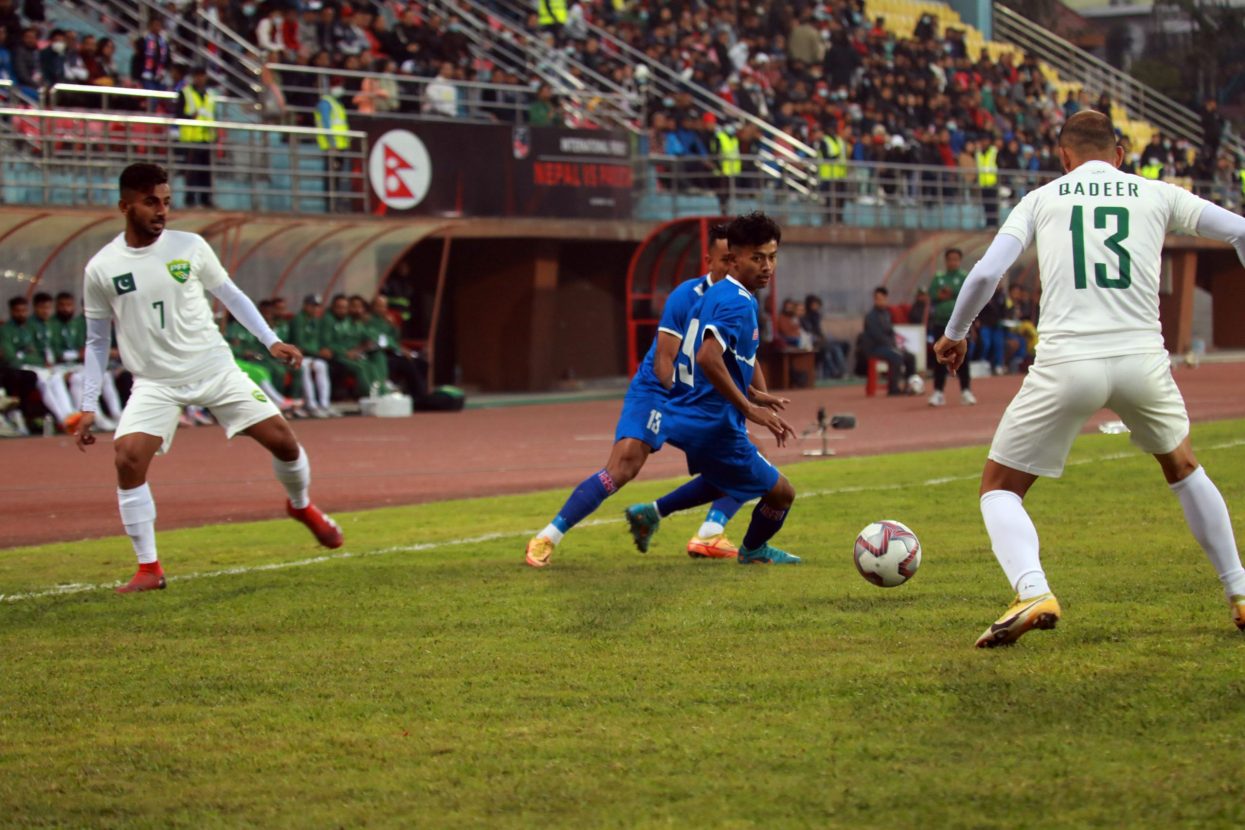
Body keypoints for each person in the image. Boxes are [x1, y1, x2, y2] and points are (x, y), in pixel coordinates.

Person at [932, 110, 1245, 647]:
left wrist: (956, 331)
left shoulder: (1043, 198)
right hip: (1142, 359)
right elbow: (1239, 230)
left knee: (999, 488)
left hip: (1067, 360)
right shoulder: (1158, 194)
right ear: (1120, 154)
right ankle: (1239, 593)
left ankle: (1032, 589)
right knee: (1184, 466)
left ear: (1063, 157)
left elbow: (985, 272)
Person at [73, 163, 343, 594]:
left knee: (284, 441)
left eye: (166, 201)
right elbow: (96, 341)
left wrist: (270, 340)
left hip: (213, 368)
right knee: (127, 458)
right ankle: (149, 568)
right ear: (125, 206)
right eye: (150, 202)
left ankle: (301, 506)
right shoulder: (102, 268)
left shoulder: (191, 246)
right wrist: (88, 406)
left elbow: (230, 295)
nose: (162, 211)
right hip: (155, 382)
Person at [525, 224, 765, 567]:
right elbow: (664, 362)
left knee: (750, 459)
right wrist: (685, 407)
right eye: (725, 258)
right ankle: (547, 536)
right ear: (710, 259)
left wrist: (762, 397)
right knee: (623, 466)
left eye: (737, 258)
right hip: (660, 391)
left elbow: (749, 358)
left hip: (701, 398)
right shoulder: (687, 296)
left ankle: (710, 532)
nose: (732, 265)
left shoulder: (742, 301)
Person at [625, 212, 800, 565]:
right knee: (782, 493)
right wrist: (749, 409)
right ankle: (752, 551)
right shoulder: (737, 301)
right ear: (734, 259)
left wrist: (753, 393)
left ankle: (652, 512)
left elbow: (722, 358)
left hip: (689, 415)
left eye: (772, 256)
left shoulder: (717, 293)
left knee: (727, 479)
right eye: (758, 258)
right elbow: (707, 357)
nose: (767, 266)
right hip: (714, 424)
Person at [1, 294, 78, 430]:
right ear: (12, 311)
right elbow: (11, 357)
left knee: (55, 378)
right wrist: (29, 356)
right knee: (43, 381)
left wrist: (29, 356)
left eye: (24, 310)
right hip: (22, 367)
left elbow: (35, 352)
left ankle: (71, 414)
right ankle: (62, 419)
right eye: (18, 311)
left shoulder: (27, 328)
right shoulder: (7, 329)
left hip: (39, 365)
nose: (21, 314)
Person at [926, 248, 976, 406]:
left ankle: (966, 391)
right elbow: (933, 294)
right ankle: (938, 392)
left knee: (963, 357)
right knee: (939, 356)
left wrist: (951, 293)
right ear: (946, 261)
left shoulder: (964, 277)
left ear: (959, 261)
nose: (953, 262)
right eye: (950, 259)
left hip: (959, 324)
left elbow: (967, 294)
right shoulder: (939, 278)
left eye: (956, 259)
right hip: (941, 323)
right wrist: (943, 295)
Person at [860, 286, 917, 395]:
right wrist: (893, 347)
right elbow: (877, 336)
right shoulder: (871, 316)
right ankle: (893, 389)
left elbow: (891, 333)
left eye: (882, 298)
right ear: (874, 299)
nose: (880, 301)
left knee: (910, 357)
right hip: (874, 348)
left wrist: (895, 346)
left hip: (888, 347)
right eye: (877, 299)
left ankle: (910, 385)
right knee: (897, 357)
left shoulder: (886, 313)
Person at [289, 294, 335, 417]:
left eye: (317, 307)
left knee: (322, 366)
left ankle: (324, 404)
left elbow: (318, 342)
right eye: (312, 306)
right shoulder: (298, 319)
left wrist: (320, 353)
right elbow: (299, 343)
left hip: (312, 356)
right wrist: (316, 353)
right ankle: (311, 405)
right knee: (304, 367)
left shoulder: (315, 320)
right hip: (297, 355)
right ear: (305, 306)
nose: (315, 309)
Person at [178, 66, 216, 208]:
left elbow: (212, 115)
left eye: (202, 75)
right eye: (198, 75)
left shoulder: (210, 94)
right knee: (191, 172)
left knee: (206, 172)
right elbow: (178, 114)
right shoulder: (185, 93)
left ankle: (206, 199)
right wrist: (189, 117)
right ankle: (190, 199)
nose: (200, 79)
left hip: (206, 137)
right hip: (191, 138)